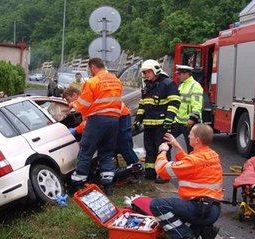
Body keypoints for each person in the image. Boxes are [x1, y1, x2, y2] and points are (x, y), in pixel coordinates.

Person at [149, 124, 223, 239]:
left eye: (191, 134)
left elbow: (162, 171)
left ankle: (186, 238)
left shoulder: (195, 160)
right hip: (211, 208)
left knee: (157, 205)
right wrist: (177, 146)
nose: (188, 135)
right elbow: (189, 163)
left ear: (197, 140)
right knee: (174, 199)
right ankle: (205, 231)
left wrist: (162, 151)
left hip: (201, 209)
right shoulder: (211, 155)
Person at [69, 58, 122, 195]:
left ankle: (79, 184)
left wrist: (73, 105)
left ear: (93, 67)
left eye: (89, 69)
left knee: (86, 150)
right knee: (107, 152)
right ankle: (108, 186)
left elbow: (84, 104)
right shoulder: (116, 80)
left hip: (97, 120)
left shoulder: (93, 82)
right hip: (114, 120)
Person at [133, 59, 181, 183]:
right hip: (149, 124)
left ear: (155, 70)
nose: (145, 75)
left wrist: (169, 119)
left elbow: (174, 102)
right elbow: (143, 104)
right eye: (144, 73)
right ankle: (150, 173)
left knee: (162, 150)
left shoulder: (168, 84)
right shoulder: (147, 86)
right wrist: (138, 120)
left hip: (162, 125)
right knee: (149, 149)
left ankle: (164, 176)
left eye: (147, 72)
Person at [172, 65, 203, 153]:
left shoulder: (195, 86)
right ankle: (165, 164)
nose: (178, 76)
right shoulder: (182, 85)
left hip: (189, 123)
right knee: (166, 142)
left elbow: (197, 105)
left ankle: (193, 166)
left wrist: (192, 119)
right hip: (178, 121)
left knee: (192, 149)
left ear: (187, 73)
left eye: (180, 74)